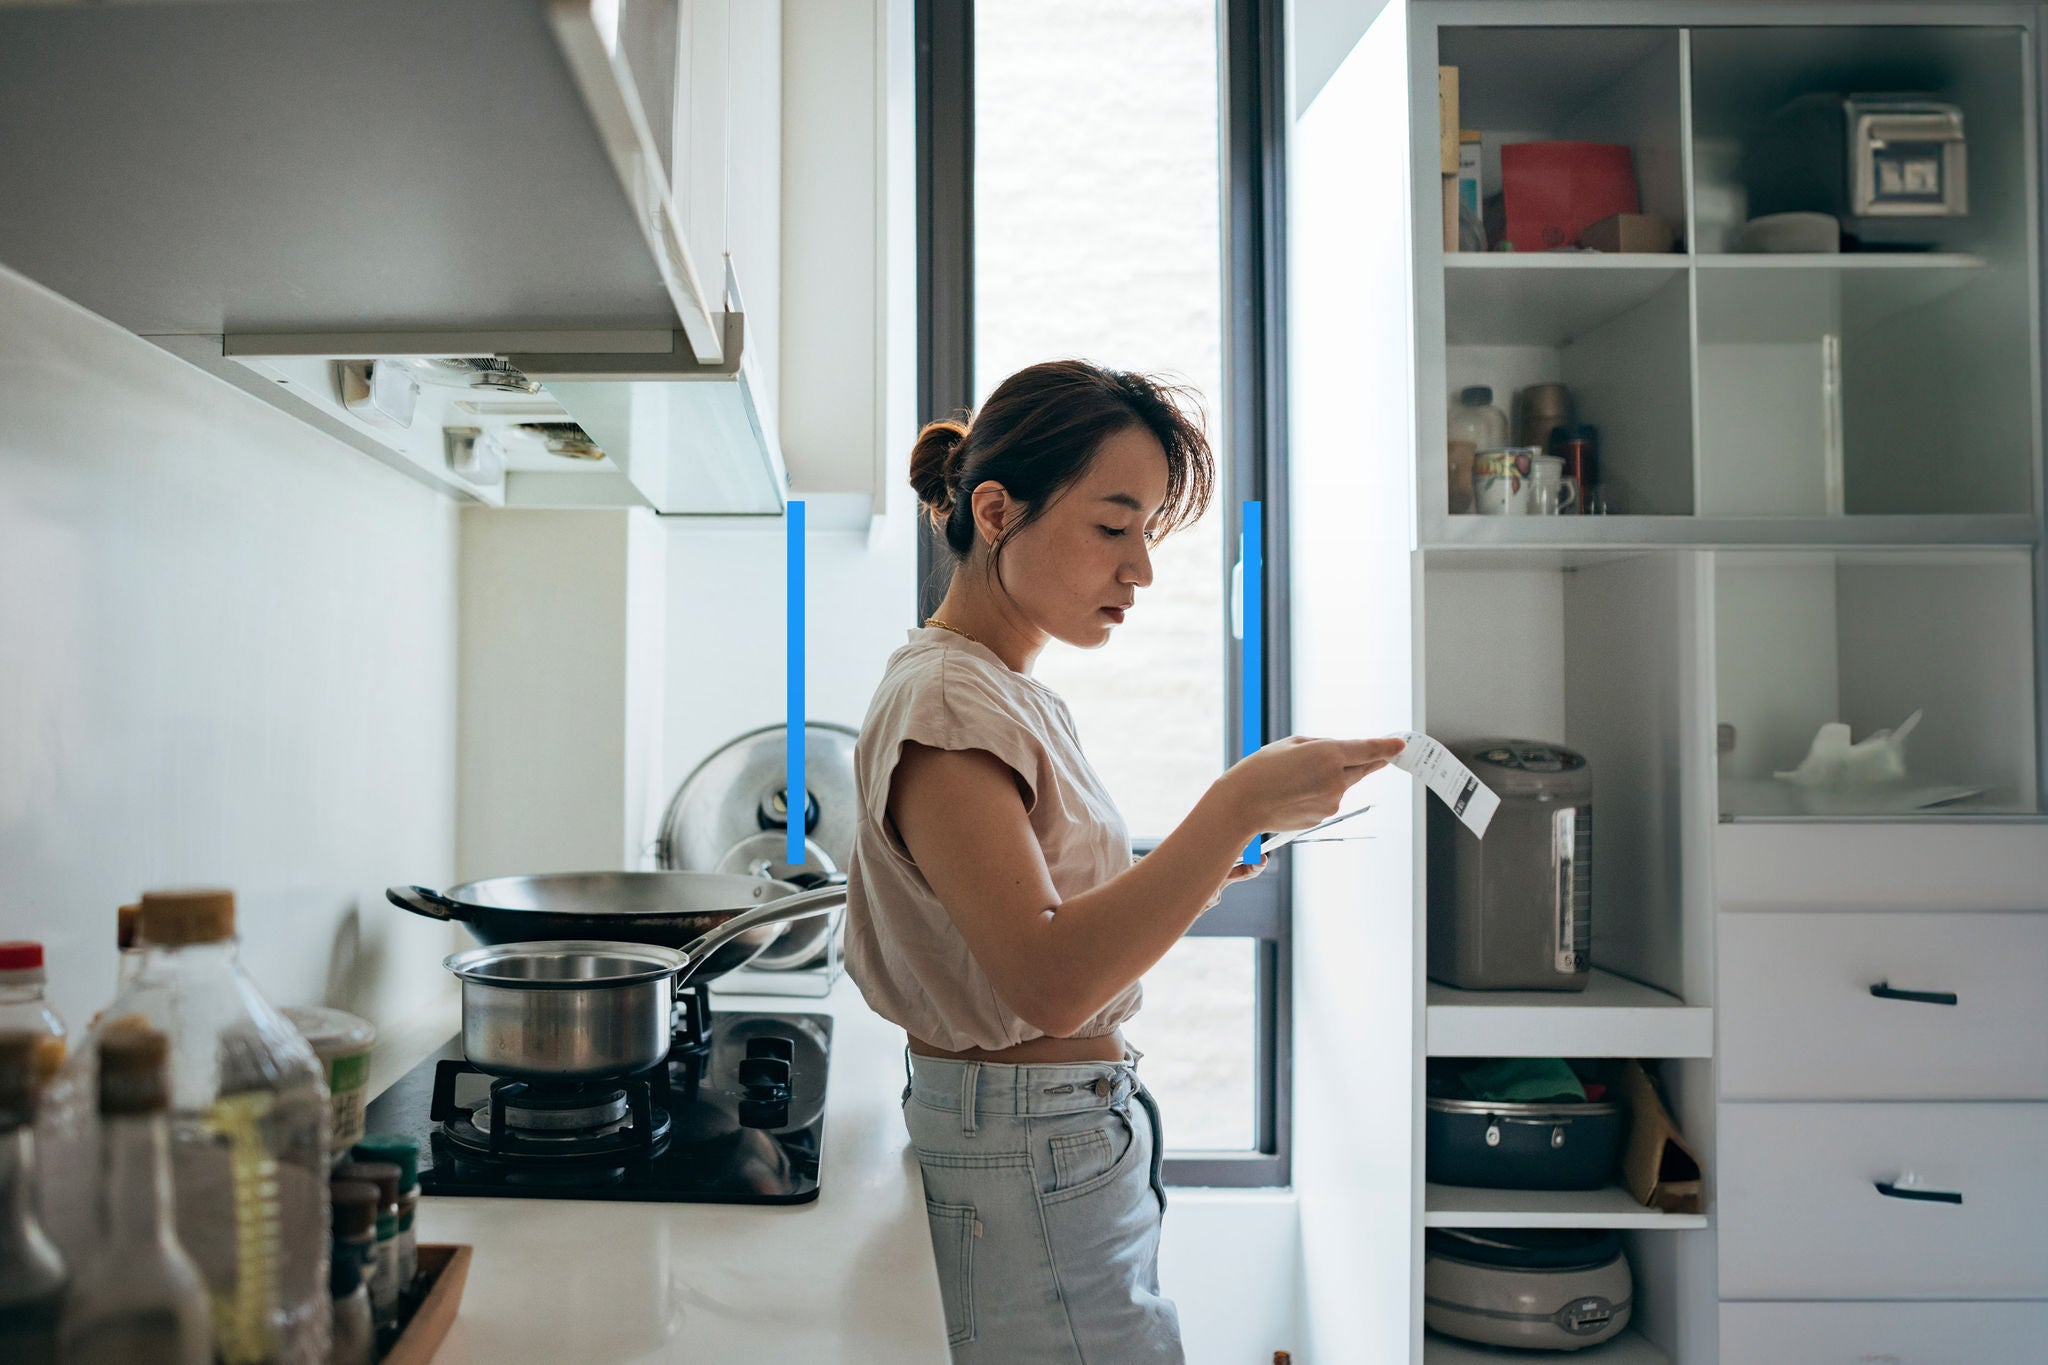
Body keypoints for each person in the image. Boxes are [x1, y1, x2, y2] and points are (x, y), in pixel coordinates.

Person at [845, 359, 1402, 1363]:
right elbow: (1048, 981)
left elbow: (1044, 925)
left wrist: (1195, 864)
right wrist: (1231, 807)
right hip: (1024, 1146)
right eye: (1113, 527)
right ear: (996, 510)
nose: (1138, 569)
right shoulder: (949, 703)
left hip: (1043, 1141)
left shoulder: (994, 690)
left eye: (1145, 532)